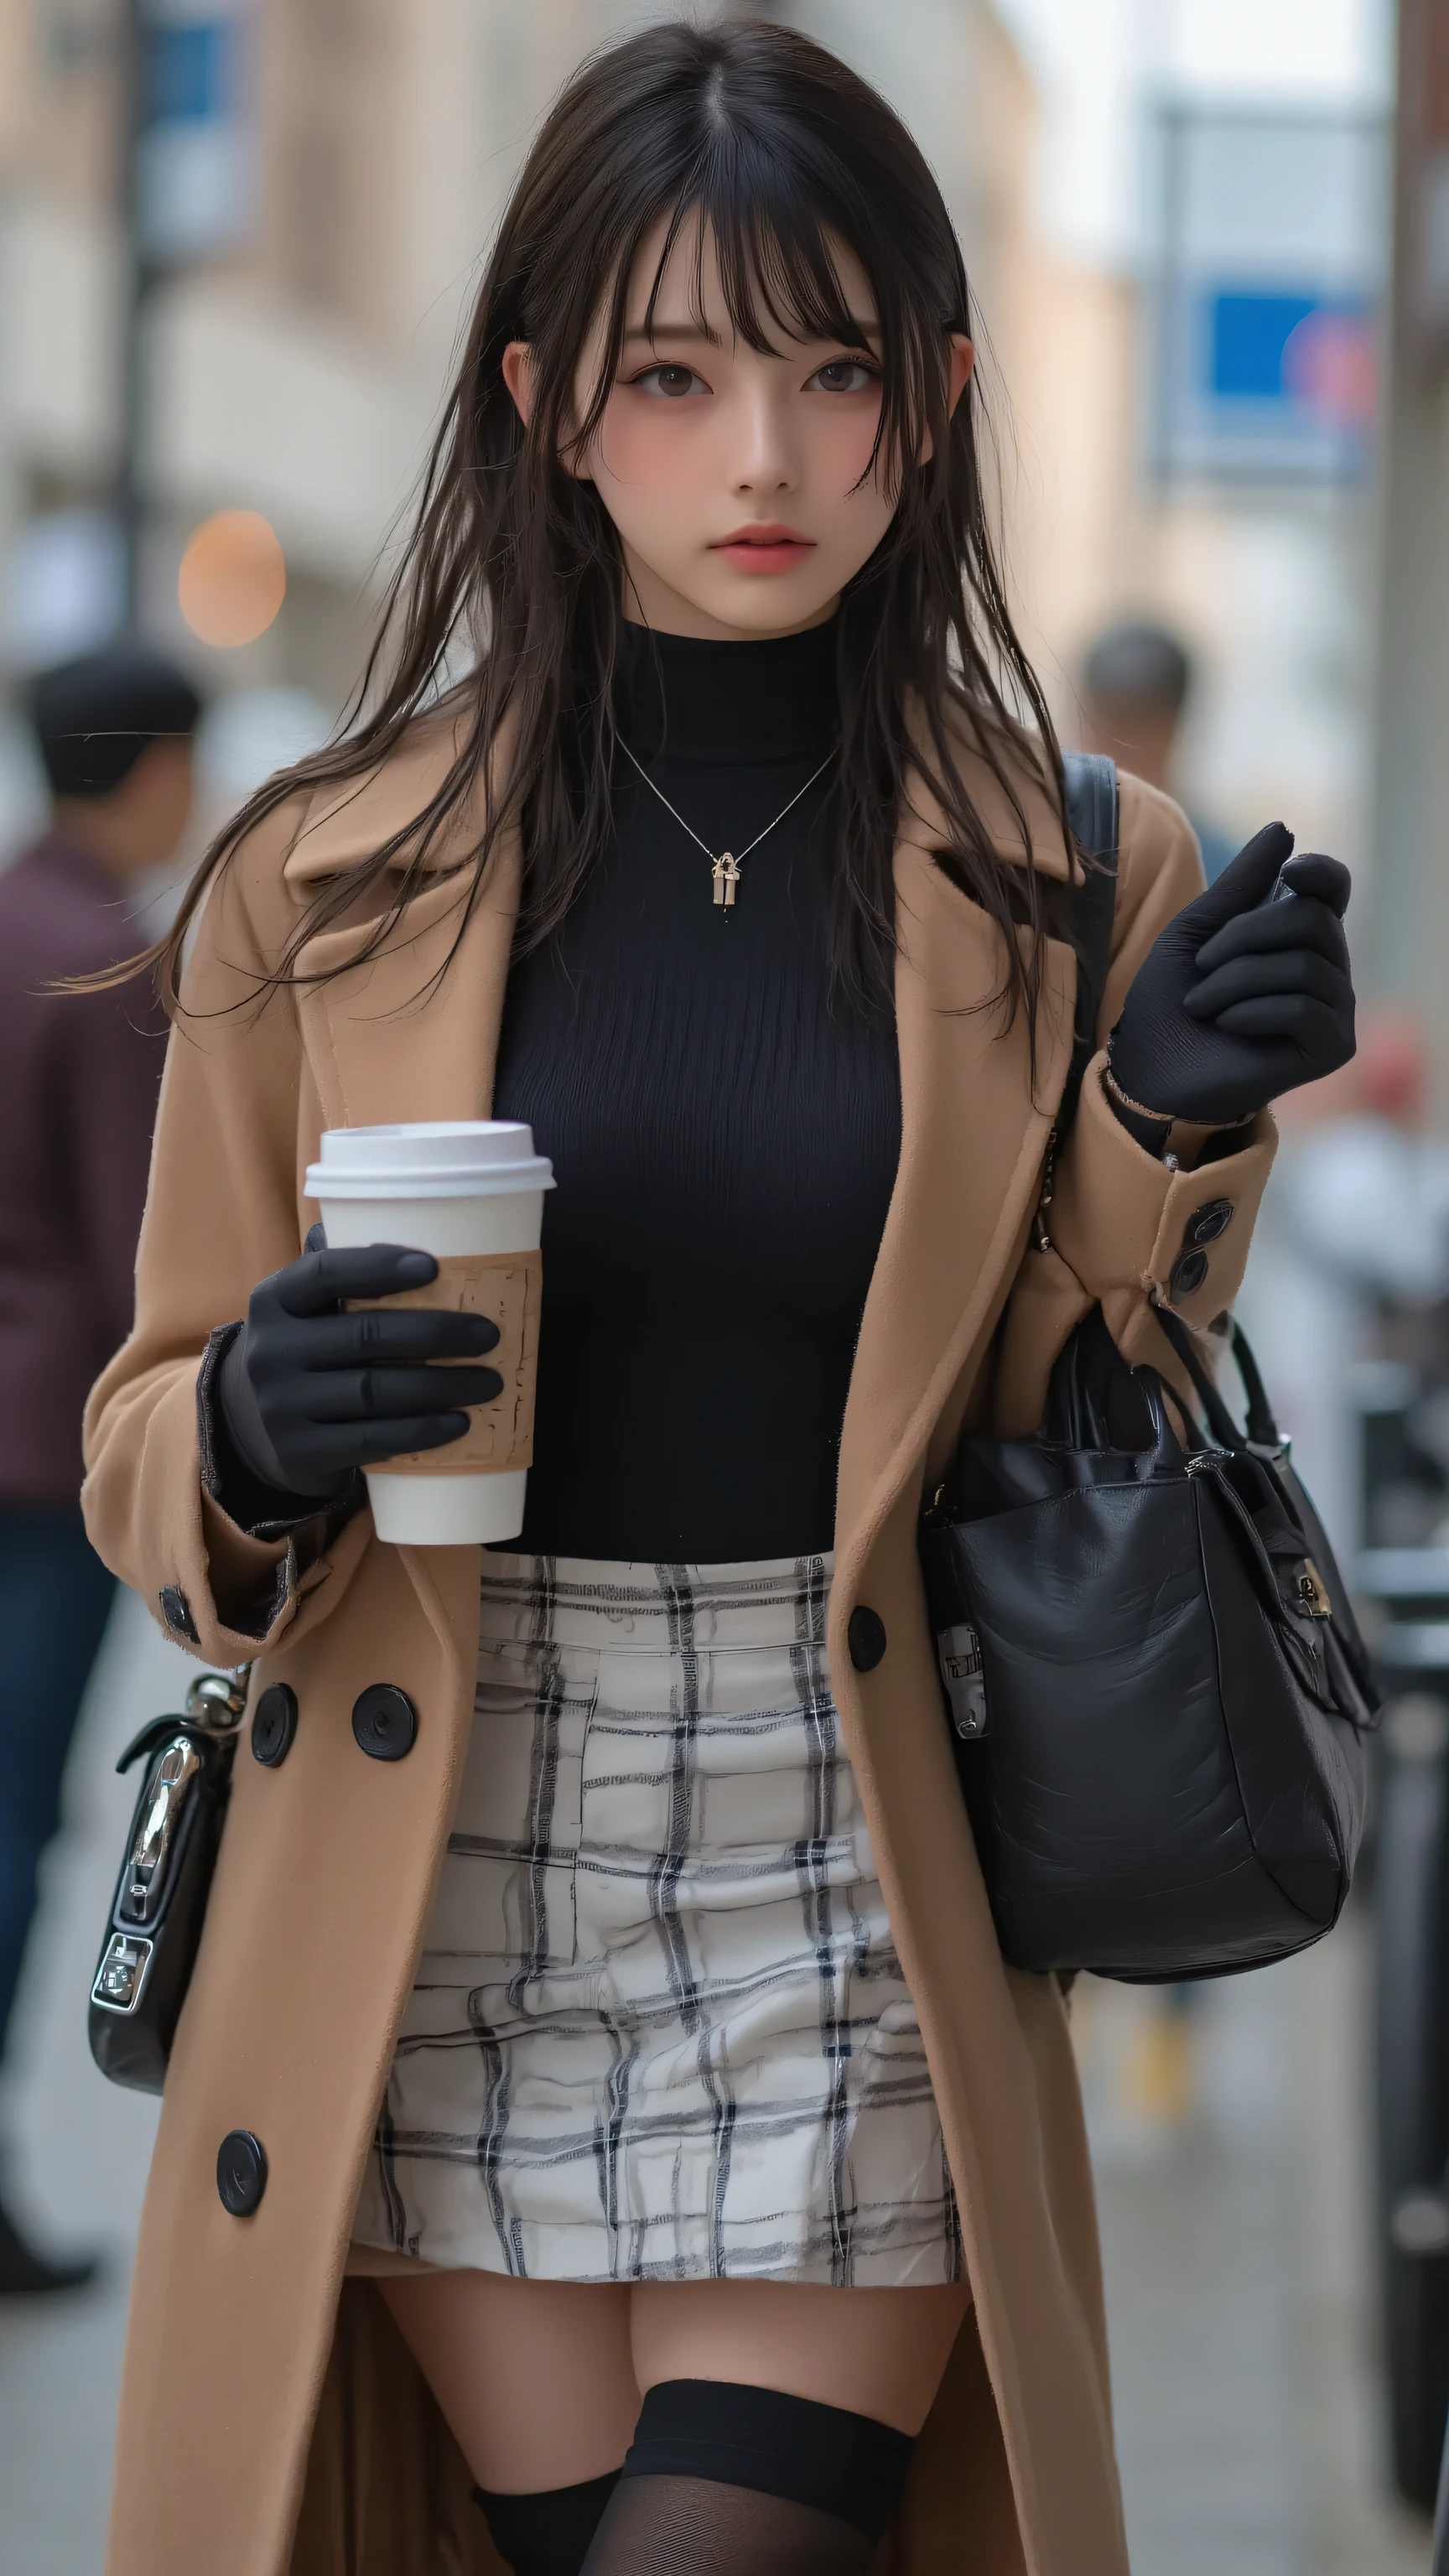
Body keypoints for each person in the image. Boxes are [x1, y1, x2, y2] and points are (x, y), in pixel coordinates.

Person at [81, 23, 1356, 2576]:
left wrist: (1166, 1125)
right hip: (439, 1848)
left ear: (943, 394)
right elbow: (147, 1422)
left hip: (853, 1840)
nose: (761, 459)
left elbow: (1054, 1408)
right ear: (550, 404)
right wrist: (245, 1431)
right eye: (673, 374)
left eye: (832, 367)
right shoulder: (322, 875)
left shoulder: (1074, 869)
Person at [0, 640, 200, 2293]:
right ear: (154, 772)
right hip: (41, 1448)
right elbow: (155, 1238)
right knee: (11, 1822)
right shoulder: (104, 960)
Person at [1080, 617, 1237, 883]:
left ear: (1174, 728)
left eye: (1139, 731)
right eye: (1108, 730)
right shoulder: (1049, 855)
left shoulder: (1230, 877)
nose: (1118, 760)